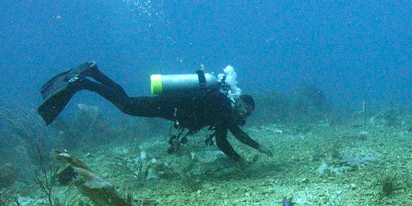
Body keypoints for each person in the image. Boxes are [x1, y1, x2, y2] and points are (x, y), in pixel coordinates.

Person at [37, 62, 272, 161]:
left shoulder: (223, 106)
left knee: (128, 102)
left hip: (171, 106)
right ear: (239, 105)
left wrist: (258, 147)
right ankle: (84, 82)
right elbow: (223, 140)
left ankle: (94, 73)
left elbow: (233, 132)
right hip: (169, 106)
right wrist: (239, 160)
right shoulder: (223, 107)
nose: (244, 118)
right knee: (127, 106)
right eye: (246, 113)